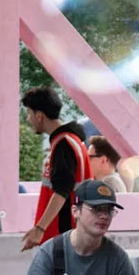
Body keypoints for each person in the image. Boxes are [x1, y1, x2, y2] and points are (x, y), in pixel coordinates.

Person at [21, 88, 91, 251]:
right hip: (67, 234)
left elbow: (61, 191)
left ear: (40, 116)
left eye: (29, 114)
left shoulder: (64, 145)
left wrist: (39, 229)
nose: (29, 119)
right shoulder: (69, 141)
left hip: (64, 234)